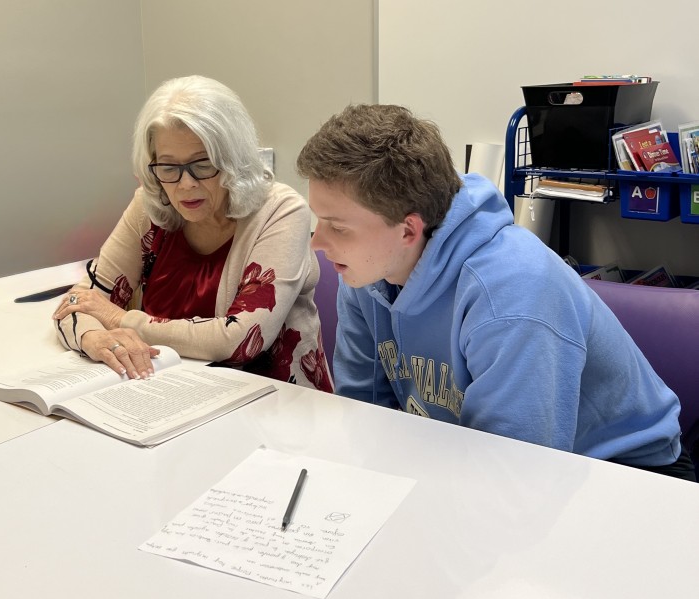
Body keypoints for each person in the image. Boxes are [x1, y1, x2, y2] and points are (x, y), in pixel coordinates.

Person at [296, 103, 694, 481]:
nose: (317, 241)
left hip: (623, 473)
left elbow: (513, 482)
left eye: (337, 226)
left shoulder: (513, 292)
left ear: (408, 230)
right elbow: (366, 420)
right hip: (472, 458)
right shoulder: (367, 273)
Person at [53, 75, 332, 392]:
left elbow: (240, 339)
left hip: (275, 404)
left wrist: (121, 321)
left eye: (202, 164)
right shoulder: (149, 206)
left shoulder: (280, 211)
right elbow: (80, 301)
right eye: (169, 167)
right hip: (169, 392)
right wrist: (95, 338)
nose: (185, 184)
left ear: (232, 161)